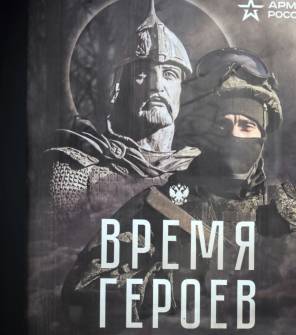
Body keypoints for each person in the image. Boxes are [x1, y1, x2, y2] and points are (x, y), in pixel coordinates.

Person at [61, 48, 296, 324]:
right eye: (221, 127)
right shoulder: (155, 210)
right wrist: (174, 282)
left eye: (247, 127)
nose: (234, 137)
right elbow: (82, 298)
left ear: (262, 137)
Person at [48, 0, 200, 218]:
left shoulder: (199, 170)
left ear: (181, 89)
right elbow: (57, 248)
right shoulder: (79, 171)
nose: (156, 86)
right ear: (121, 87)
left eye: (169, 75)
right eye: (142, 74)